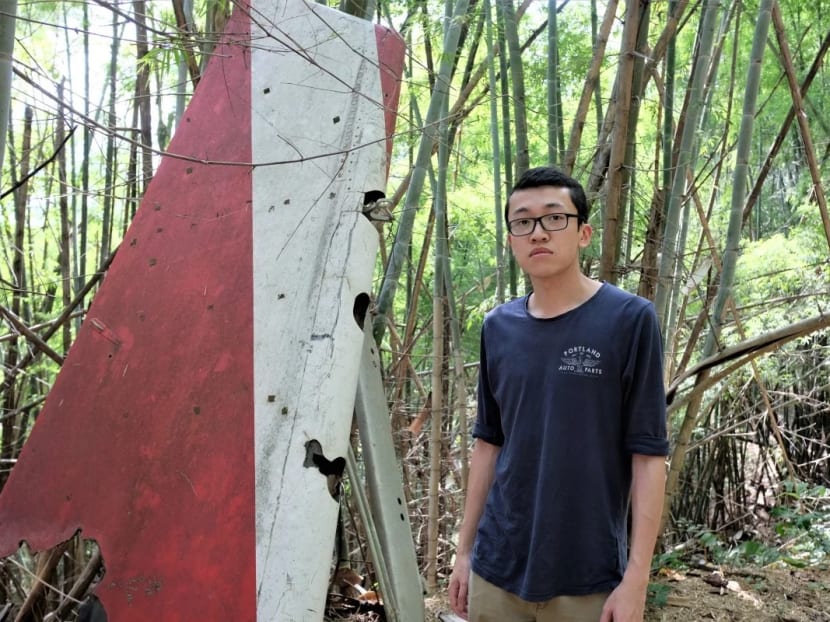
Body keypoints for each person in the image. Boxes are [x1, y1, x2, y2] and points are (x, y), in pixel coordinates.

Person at [448, 166, 669, 622]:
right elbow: (488, 445)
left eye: (554, 218)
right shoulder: (498, 327)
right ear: (511, 239)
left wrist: (637, 578)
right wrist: (465, 553)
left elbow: (648, 456)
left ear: (584, 232)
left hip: (587, 576)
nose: (538, 233)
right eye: (522, 222)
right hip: (497, 566)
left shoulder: (629, 320)